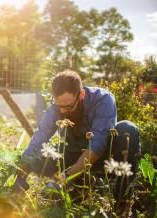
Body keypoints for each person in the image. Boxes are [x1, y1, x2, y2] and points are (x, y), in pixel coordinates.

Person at [13, 70, 141, 202]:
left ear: (81, 95)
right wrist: (20, 177)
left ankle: (122, 200)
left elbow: (97, 145)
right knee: (37, 159)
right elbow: (38, 140)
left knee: (127, 129)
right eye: (59, 105)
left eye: (68, 106)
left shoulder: (103, 99)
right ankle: (78, 185)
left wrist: (64, 178)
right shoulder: (57, 108)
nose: (62, 111)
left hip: (104, 159)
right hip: (73, 155)